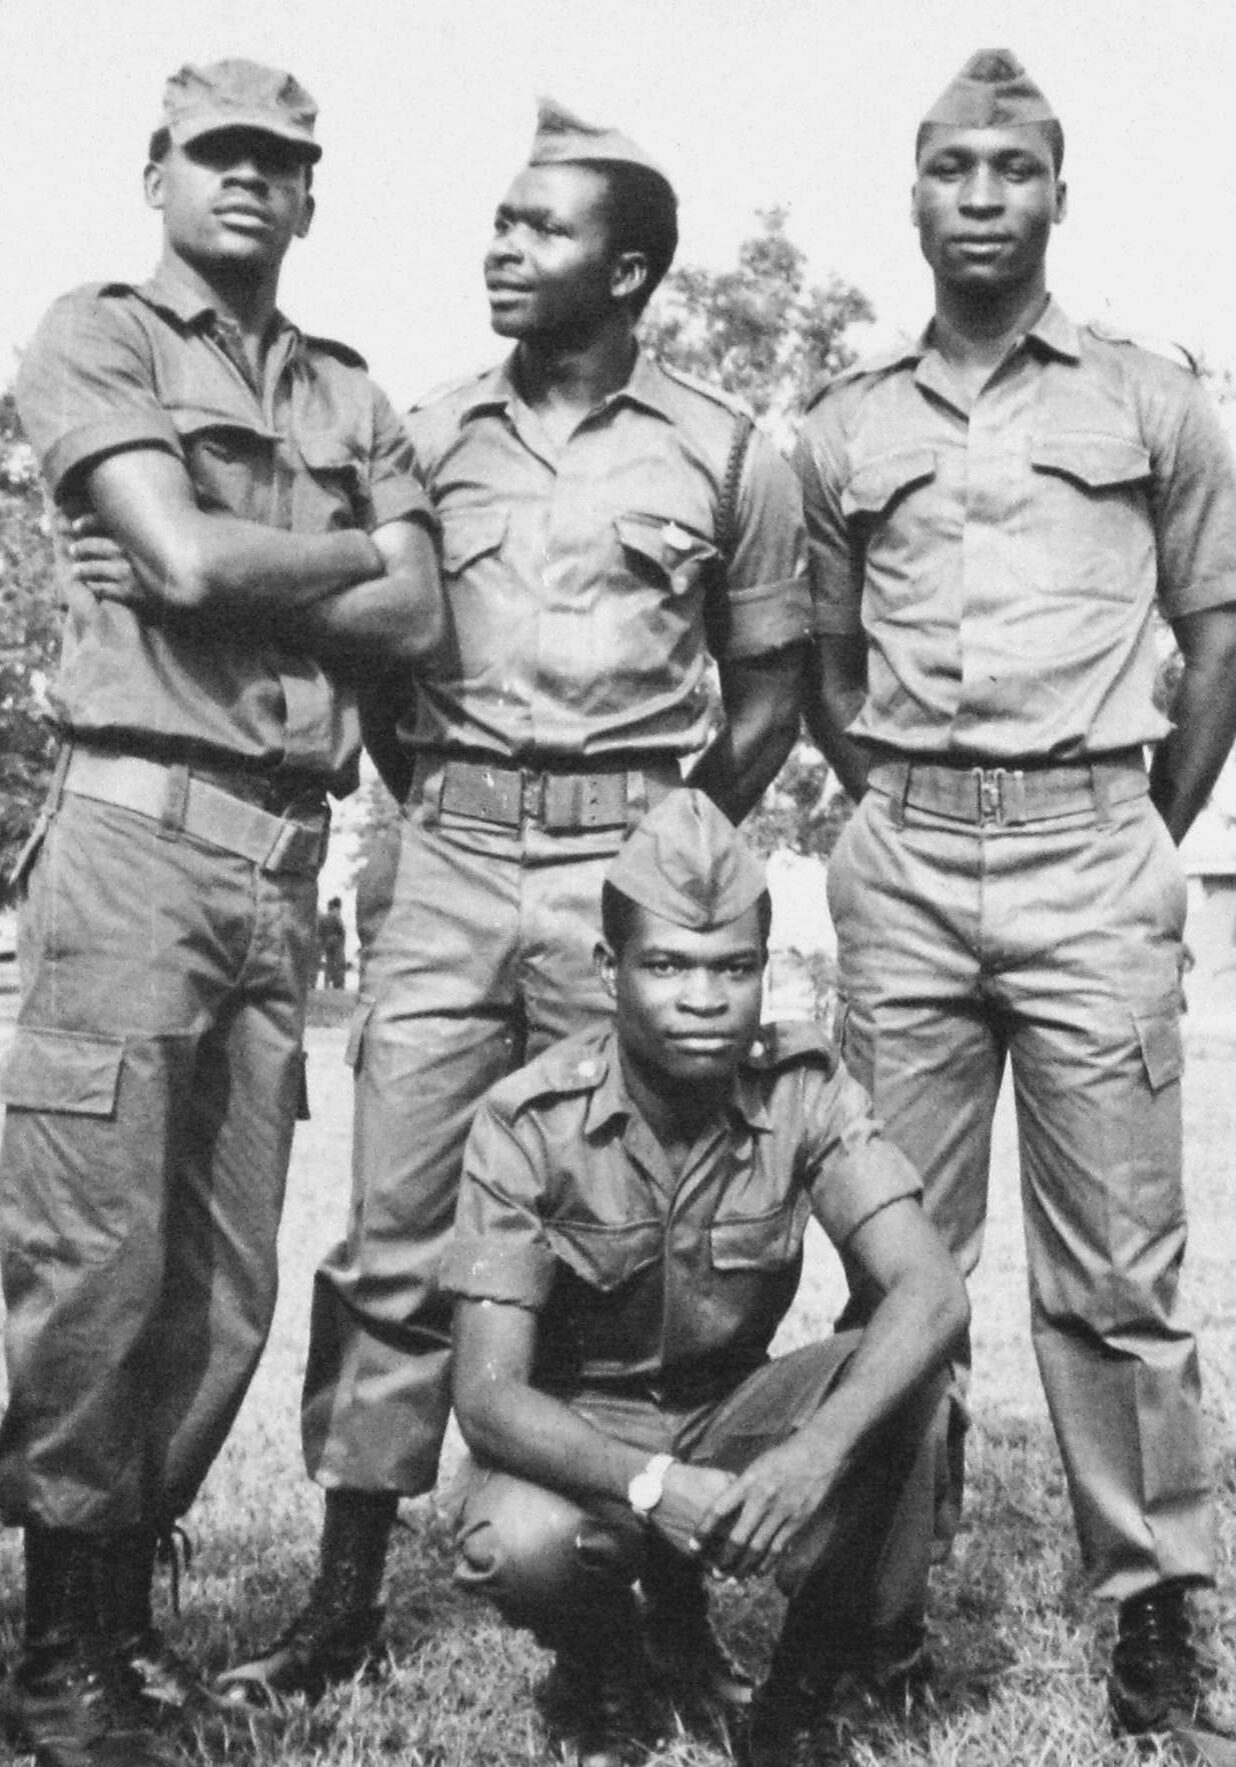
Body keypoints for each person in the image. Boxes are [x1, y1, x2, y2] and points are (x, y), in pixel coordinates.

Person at [218, 99, 811, 1707]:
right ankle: (344, 1593)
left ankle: (661, 1592)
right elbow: (380, 654)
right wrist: (451, 813)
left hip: (628, 871)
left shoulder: (730, 451)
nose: (502, 246)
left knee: (638, 1233)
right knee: (396, 1229)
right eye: (498, 220)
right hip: (452, 863)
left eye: (541, 228)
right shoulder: (424, 433)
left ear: (630, 271)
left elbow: (767, 696)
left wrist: (663, 852)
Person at [794, 48, 1236, 1750]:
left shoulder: (1151, 402)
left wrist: (1134, 829)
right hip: (906, 861)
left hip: (1093, 852)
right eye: (952, 168)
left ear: (1060, 194)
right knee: (896, 1251)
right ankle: (877, 1604)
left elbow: (1215, 635)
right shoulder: (845, 421)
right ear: (912, 194)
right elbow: (829, 664)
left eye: (1014, 170)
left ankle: (1153, 1606)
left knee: (1118, 1268)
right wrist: (909, 805)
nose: (982, 198)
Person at [1, 58, 441, 1767]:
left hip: (275, 869)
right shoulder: (94, 335)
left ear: (312, 192)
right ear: (159, 172)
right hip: (130, 843)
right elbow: (184, 566)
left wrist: (232, 556)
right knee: (94, 1261)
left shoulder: (349, 388)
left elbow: (417, 619)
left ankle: (122, 1626)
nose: (248, 180)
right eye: (217, 155)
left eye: (280, 160)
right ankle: (60, 1655)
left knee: (222, 1282)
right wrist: (338, 556)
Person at [441, 788, 967, 1767]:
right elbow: (487, 1396)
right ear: (611, 969)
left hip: (731, 1412)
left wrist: (815, 1453)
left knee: (913, 1382)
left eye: (733, 967)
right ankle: (609, 1668)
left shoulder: (803, 1088)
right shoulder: (527, 1124)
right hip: (586, 1433)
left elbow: (931, 1290)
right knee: (515, 1540)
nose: (703, 998)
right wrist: (652, 1484)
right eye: (668, 966)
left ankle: (797, 1703)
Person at [317, 896, 348, 989]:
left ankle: (326, 983)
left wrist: (323, 944)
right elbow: (341, 931)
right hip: (336, 942)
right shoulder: (336, 916)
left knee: (329, 963)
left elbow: (320, 932)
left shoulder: (323, 917)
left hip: (327, 942)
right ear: (337, 907)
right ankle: (338, 984)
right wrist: (342, 941)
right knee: (339, 963)